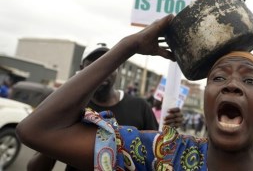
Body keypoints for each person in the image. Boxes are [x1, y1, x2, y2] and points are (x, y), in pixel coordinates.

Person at [17, 14, 253, 170]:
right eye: (218, 78)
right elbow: (37, 130)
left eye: (250, 80)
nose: (232, 84)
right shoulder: (164, 155)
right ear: (206, 101)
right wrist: (129, 46)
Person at [26, 42, 183, 171]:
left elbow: (156, 155)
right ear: (82, 70)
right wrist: (55, 136)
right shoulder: (72, 108)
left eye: (108, 64)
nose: (102, 71)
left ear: (118, 69)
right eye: (94, 65)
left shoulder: (140, 107)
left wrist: (168, 129)